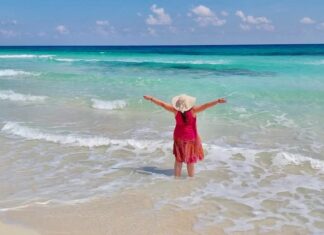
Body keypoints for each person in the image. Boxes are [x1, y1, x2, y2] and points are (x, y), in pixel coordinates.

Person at [143, 94, 226, 177]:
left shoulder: (175, 110)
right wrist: (217, 101)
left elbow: (163, 104)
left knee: (178, 160)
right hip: (190, 138)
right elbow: (206, 106)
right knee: (190, 161)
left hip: (178, 137)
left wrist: (151, 98)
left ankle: (176, 179)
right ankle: (191, 180)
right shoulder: (193, 110)